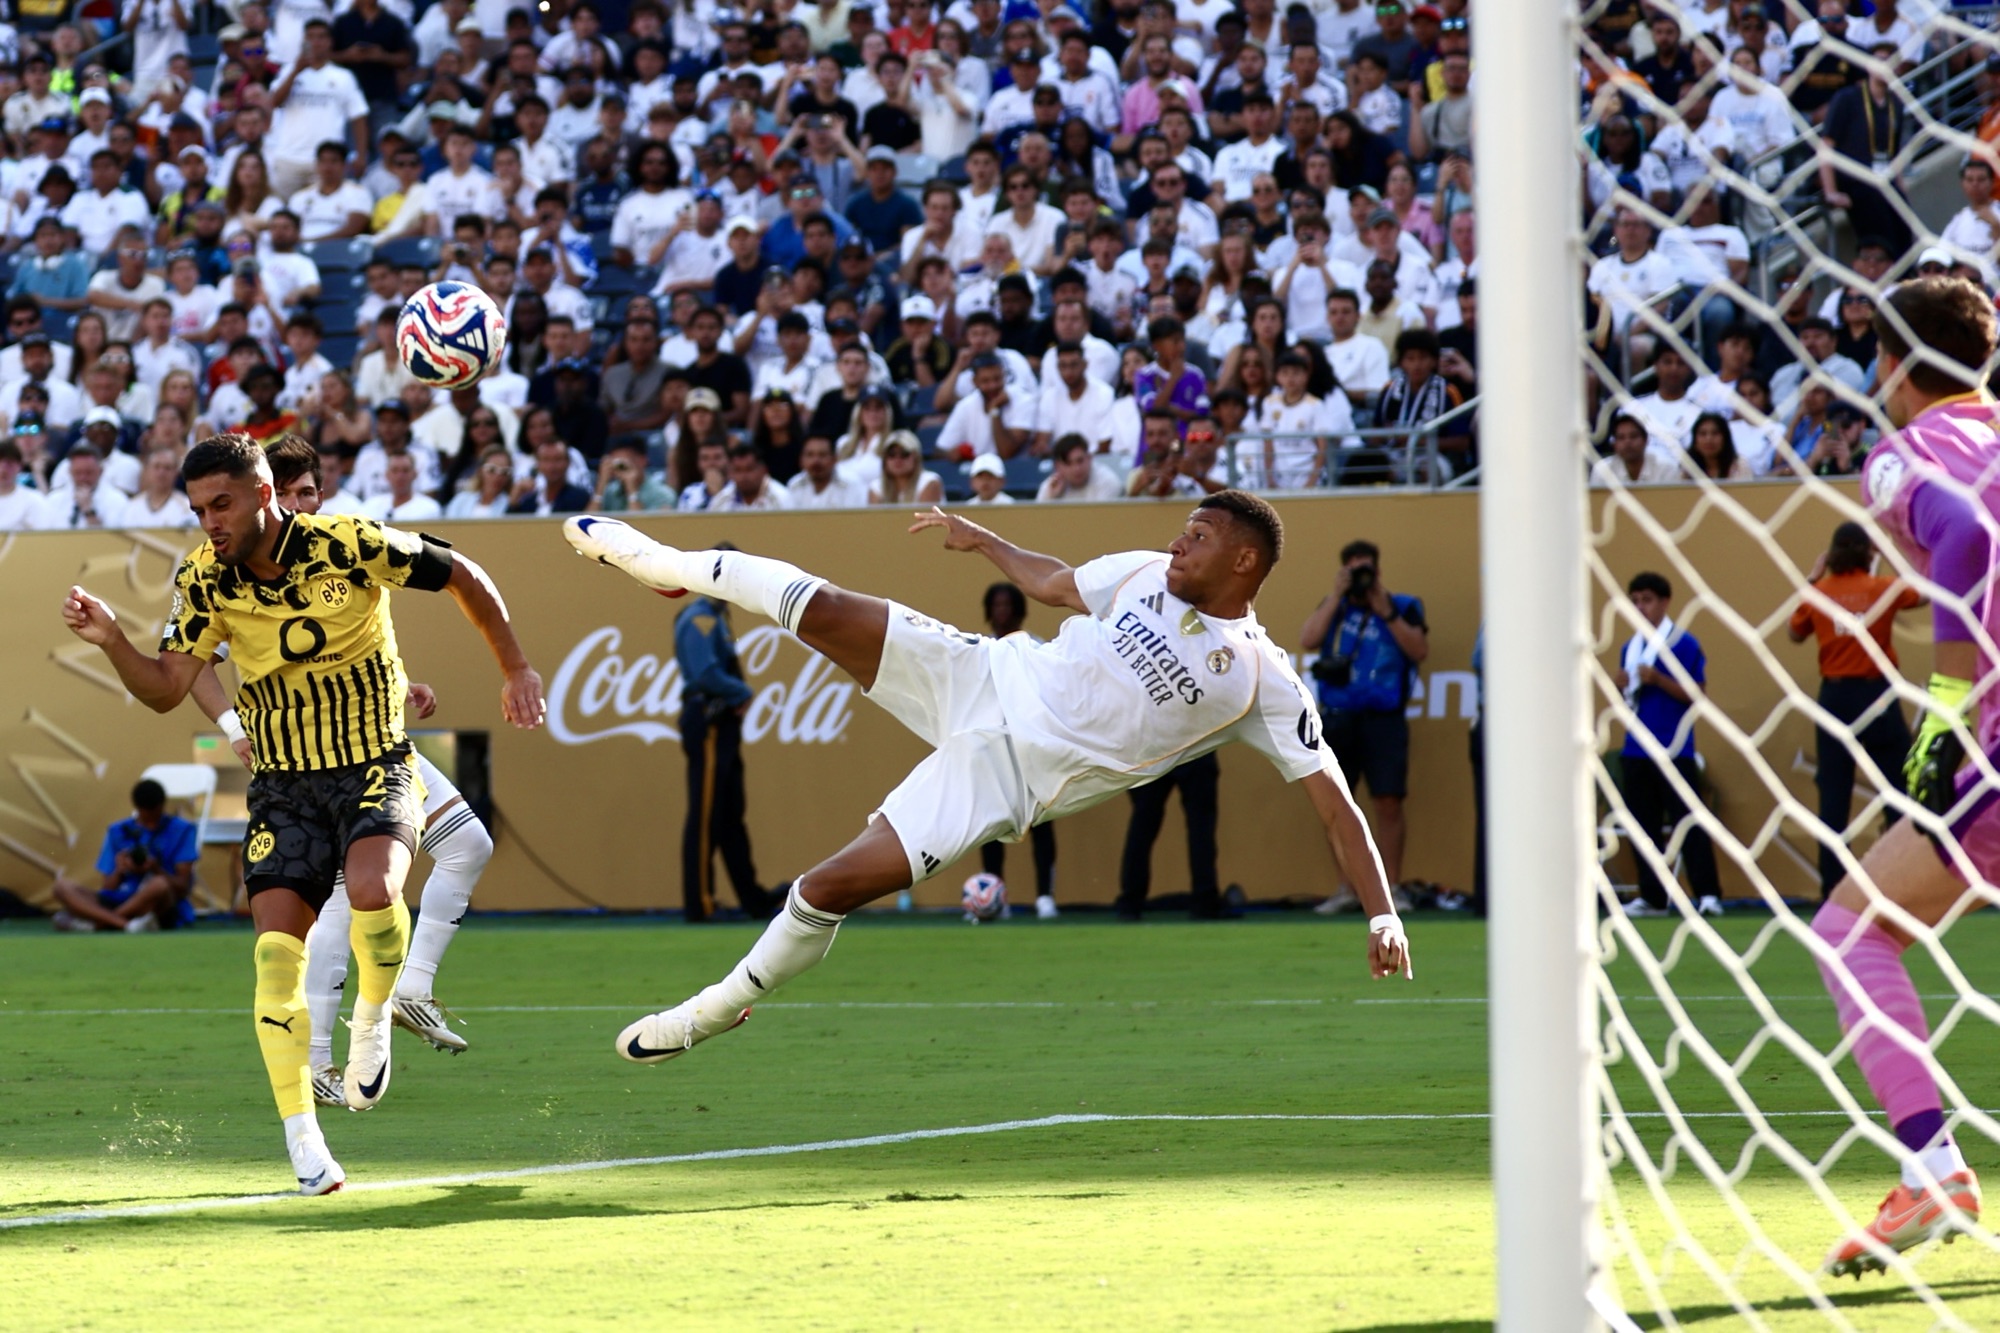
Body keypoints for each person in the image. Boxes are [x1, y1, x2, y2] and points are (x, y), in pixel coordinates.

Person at [562, 491, 1412, 1064]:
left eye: (1200, 534)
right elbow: (1053, 584)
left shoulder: (1263, 680)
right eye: (1184, 528)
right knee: (819, 605)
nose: (1179, 540)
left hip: (1007, 776)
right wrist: (986, 541)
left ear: (1243, 562)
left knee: (827, 886)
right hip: (985, 673)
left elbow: (1338, 806)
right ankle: (661, 562)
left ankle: (714, 1008)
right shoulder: (1145, 573)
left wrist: (1381, 911)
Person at [60, 433, 545, 1193]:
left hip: (373, 762)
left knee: (378, 888)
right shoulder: (204, 578)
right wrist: (112, 639)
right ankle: (303, 1138)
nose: (209, 522)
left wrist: (515, 665)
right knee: (272, 959)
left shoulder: (348, 543)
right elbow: (164, 686)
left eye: (221, 504)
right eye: (197, 509)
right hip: (284, 785)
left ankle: (375, 1014)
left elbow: (465, 575)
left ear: (263, 492)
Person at [181, 435, 498, 1096]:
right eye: (290, 493)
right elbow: (193, 664)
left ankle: (406, 990)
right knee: (336, 904)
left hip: (370, 747)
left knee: (465, 842)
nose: (301, 507)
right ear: (266, 492)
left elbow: (353, 639)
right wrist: (234, 725)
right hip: (298, 760)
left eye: (309, 495)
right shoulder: (227, 562)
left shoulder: (338, 543)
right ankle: (322, 1058)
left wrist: (400, 687)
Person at [1814, 277, 2000, 1274]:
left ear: (1891, 364)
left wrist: (1940, 712)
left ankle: (1931, 1167)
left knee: (1848, 929)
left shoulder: (1902, 453)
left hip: (1993, 753)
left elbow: (1967, 537)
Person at [1786, 522, 1921, 900]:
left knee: (1833, 794)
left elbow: (1794, 634)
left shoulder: (1820, 594)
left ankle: (1833, 890)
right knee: (1896, 790)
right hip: (1877, 696)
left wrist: (1812, 579)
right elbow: (1922, 596)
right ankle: (1904, 885)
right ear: (1869, 552)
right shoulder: (1882, 589)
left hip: (1835, 699)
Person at [1300, 540, 1427, 913]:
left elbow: (1419, 650)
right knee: (1336, 803)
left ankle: (1392, 888)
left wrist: (1383, 608)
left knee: (1388, 802)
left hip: (1384, 719)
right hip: (1338, 717)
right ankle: (1346, 889)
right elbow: (1308, 639)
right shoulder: (1334, 607)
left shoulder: (1402, 606)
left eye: (1366, 569)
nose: (1361, 577)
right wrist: (1336, 594)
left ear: (1378, 570)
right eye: (1353, 570)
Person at [1612, 570, 1723, 921]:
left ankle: (1707, 894)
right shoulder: (1630, 648)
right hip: (1636, 748)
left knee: (1688, 822)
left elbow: (1697, 694)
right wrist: (1620, 685)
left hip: (1675, 748)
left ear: (1664, 602)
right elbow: (1629, 701)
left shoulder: (1683, 643)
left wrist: (1659, 679)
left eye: (1646, 600)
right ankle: (1653, 895)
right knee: (1642, 825)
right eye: (1635, 601)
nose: (1640, 608)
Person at [675, 556, 778, 924]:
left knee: (730, 814)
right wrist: (742, 691)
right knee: (705, 816)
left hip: (720, 723)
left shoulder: (715, 617)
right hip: (709, 720)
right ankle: (699, 902)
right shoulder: (701, 618)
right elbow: (705, 674)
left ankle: (754, 899)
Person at [970, 582, 1060, 919]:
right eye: (996, 605)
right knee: (992, 826)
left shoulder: (1035, 649)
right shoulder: (980, 650)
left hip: (1031, 750)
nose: (1001, 611)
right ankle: (996, 898)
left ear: (1019, 609)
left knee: (1041, 823)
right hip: (993, 751)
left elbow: (1050, 698)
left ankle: (1044, 897)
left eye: (1008, 605)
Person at [48, 777, 200, 933]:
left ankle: (100, 924)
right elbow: (107, 888)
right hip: (120, 898)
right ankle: (125, 925)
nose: (150, 824)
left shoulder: (182, 829)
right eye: (145, 817)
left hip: (157, 903)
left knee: (159, 884)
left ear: (162, 807)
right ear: (136, 808)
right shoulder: (117, 831)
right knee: (61, 886)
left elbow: (182, 888)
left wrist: (155, 868)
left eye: (154, 816)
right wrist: (119, 870)